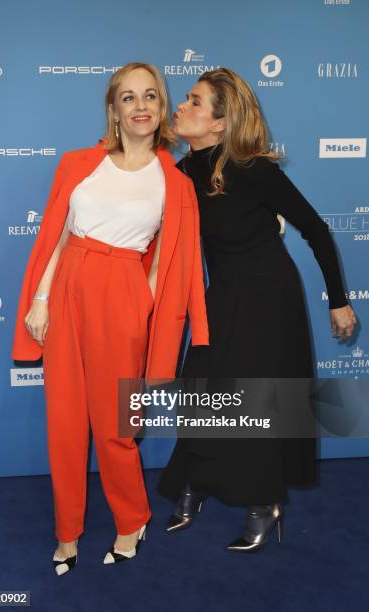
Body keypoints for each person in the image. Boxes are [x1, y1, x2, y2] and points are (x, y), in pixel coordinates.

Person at [11, 62, 208, 573]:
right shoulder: (78, 163)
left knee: (117, 424)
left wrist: (139, 307)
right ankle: (67, 531)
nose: (140, 105)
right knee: (65, 422)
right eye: (128, 97)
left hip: (122, 297)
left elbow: (167, 262)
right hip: (67, 289)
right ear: (113, 109)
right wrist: (40, 298)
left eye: (150, 96)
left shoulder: (175, 181)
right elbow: (57, 234)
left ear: (161, 109)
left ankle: (131, 518)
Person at [157, 67, 357, 552]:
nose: (182, 106)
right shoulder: (182, 173)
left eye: (195, 102)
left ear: (220, 123)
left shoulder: (253, 169)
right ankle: (198, 481)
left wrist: (339, 299)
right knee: (204, 388)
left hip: (269, 294)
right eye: (186, 99)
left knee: (254, 400)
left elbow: (314, 228)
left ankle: (264, 505)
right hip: (221, 294)